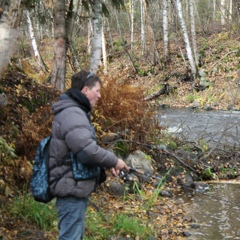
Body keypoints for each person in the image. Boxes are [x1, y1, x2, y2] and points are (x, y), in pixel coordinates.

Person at [49, 70, 129, 240]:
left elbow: (80, 151)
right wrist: (114, 161)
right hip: (71, 190)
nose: (99, 96)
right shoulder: (73, 114)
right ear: (86, 90)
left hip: (73, 188)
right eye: (97, 91)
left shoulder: (74, 112)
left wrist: (106, 164)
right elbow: (86, 151)